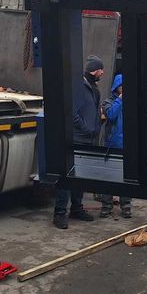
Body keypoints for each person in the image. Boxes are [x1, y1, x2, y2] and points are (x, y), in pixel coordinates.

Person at [53, 55, 104, 229]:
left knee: (81, 177)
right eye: (100, 70)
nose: (102, 73)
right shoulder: (79, 88)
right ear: (94, 70)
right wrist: (86, 128)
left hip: (88, 140)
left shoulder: (93, 88)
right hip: (76, 138)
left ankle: (77, 208)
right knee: (67, 176)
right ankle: (60, 213)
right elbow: (71, 112)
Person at [99, 73, 132, 218]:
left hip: (128, 145)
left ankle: (126, 206)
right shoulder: (108, 102)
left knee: (127, 177)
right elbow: (111, 115)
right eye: (122, 86)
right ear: (116, 87)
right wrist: (120, 100)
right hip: (111, 145)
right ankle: (106, 206)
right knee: (108, 176)